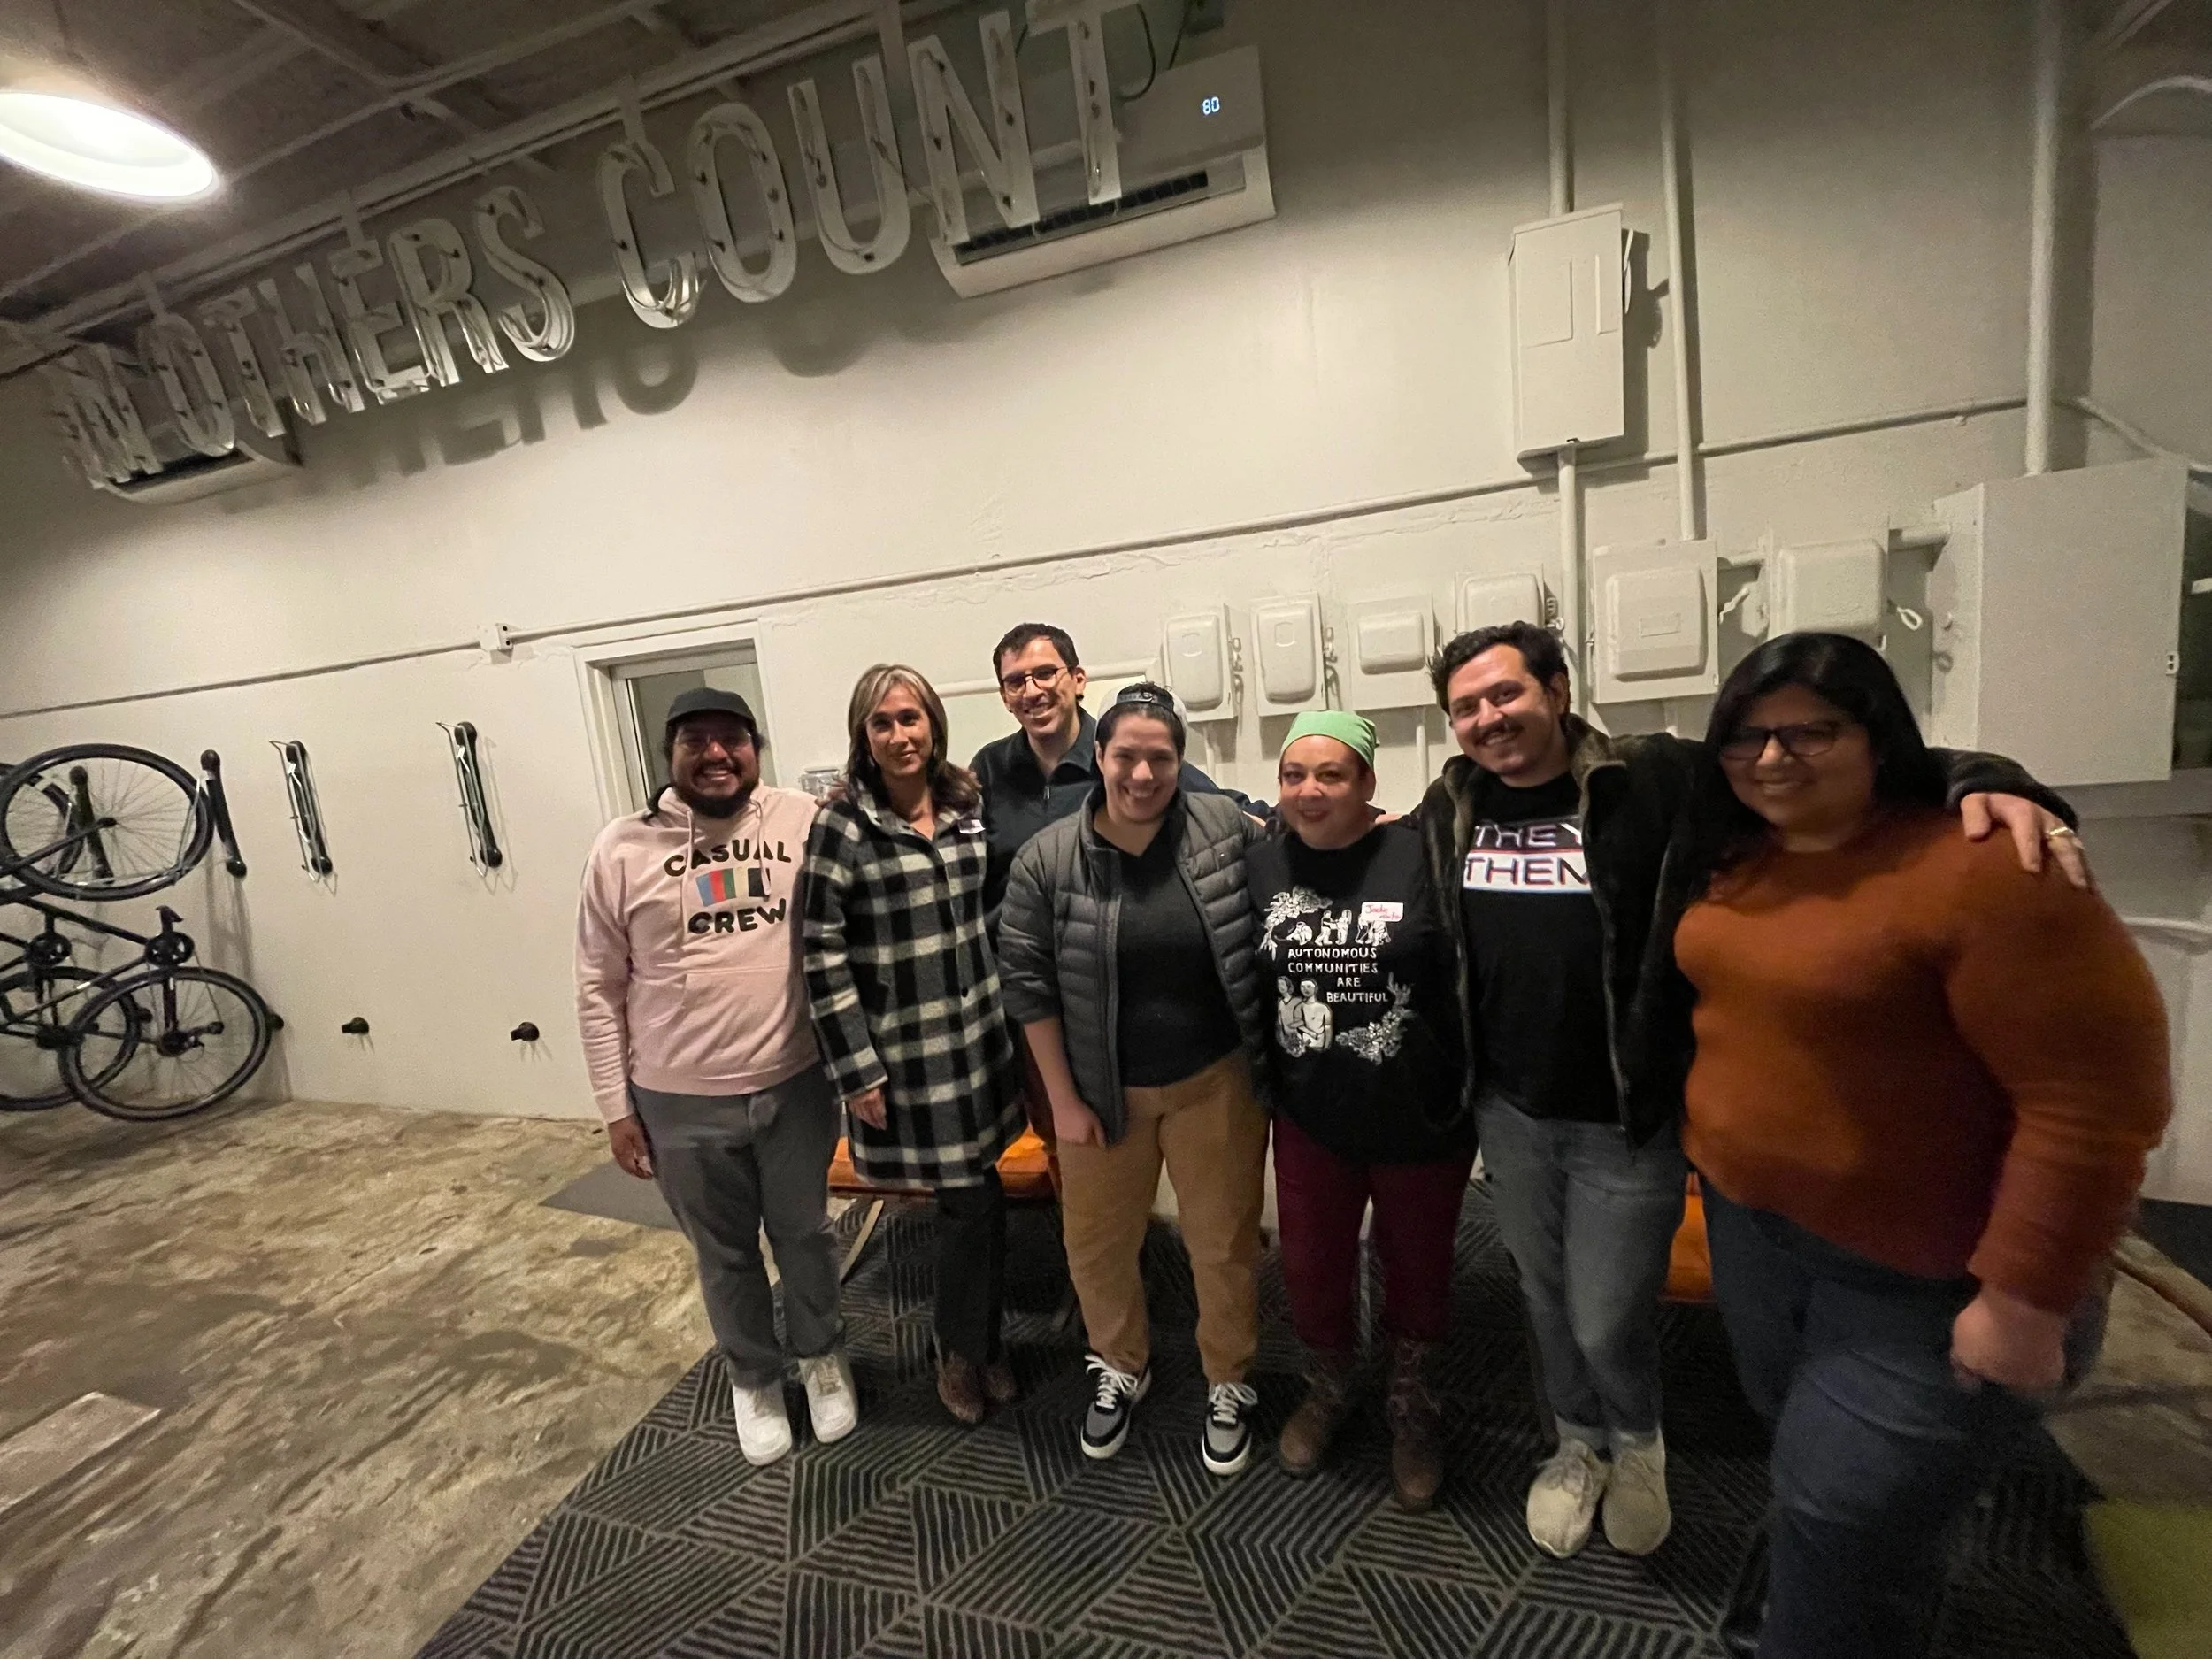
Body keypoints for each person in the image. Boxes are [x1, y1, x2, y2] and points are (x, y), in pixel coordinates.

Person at [1417, 621, 2085, 1562]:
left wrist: (1993, 781)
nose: (1488, 718)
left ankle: (1639, 1444)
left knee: (1605, 1313)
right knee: (1542, 1296)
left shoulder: (1652, 776)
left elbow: (1830, 771)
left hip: (1631, 1116)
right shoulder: (1450, 805)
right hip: (1510, 1112)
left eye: (1505, 693)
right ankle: (1575, 1442)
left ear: (1557, 691)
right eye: (1466, 707)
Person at [1672, 632, 2170, 1659]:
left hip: (1924, 1279)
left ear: (1878, 735)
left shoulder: (1992, 868)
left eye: (1811, 732)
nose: (1772, 758)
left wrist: (2025, 1296)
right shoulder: (1736, 854)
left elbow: (2096, 1100)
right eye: (1746, 737)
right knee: (1821, 1472)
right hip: (1757, 1234)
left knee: (1844, 1509)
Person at [574, 687, 856, 1467]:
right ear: (670, 754)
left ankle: (822, 1354)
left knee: (805, 1235)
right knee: (725, 1251)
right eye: (695, 740)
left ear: (755, 748)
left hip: (795, 1081)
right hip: (678, 1098)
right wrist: (615, 1106)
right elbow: (597, 986)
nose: (716, 754)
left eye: (732, 738)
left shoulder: (803, 819)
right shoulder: (621, 848)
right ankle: (754, 1376)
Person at [997, 682, 1271, 1476]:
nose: (1143, 774)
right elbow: (1027, 984)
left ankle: (1229, 1377)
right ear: (1100, 756)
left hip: (1215, 1082)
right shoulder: (1048, 857)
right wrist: (1062, 1098)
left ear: (1182, 762)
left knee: (1222, 1243)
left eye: (1161, 757)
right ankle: (1121, 1362)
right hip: (1098, 1090)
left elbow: (1303, 831)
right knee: (1096, 1245)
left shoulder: (1223, 827)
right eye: (1127, 756)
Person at [1248, 710, 1471, 1511]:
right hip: (1312, 1114)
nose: (1309, 790)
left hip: (1421, 1111)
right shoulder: (1260, 863)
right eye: (1293, 774)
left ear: (1369, 782)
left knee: (1419, 1266)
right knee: (1312, 1265)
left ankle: (1412, 1402)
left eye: (1331, 774)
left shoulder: (1421, 853)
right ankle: (1330, 1384)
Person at [802, 664, 1027, 1425]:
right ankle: (963, 1349)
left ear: (933, 723)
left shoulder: (966, 803)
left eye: (911, 718)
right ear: (863, 736)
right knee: (970, 1199)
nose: (900, 735)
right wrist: (854, 1067)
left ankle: (977, 1339)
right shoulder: (842, 824)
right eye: (882, 722)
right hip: (906, 1053)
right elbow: (820, 952)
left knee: (977, 1194)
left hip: (980, 1041)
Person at [971, 623, 1237, 918]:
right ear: (1005, 696)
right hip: (1015, 942)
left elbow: (1231, 811)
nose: (1031, 691)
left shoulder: (1121, 755)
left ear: (1078, 680)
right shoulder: (989, 767)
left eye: (1045, 673)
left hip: (1102, 940)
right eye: (1015, 682)